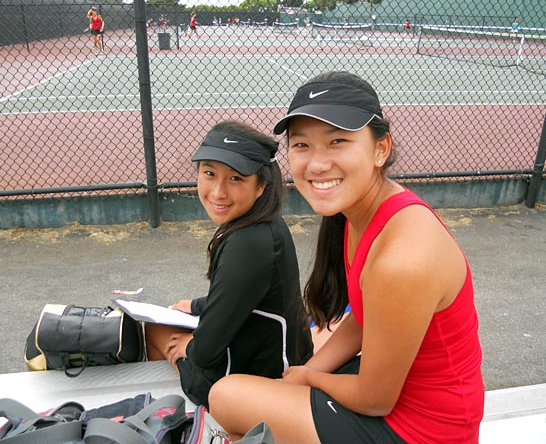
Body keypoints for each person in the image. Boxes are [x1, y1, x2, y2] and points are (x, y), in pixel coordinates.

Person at [209, 71, 485, 443]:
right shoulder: (366, 212)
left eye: (337, 141)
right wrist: (306, 372)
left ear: (380, 149)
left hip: (423, 430)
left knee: (225, 396)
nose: (317, 164)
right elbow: (363, 317)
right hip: (409, 405)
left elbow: (374, 400)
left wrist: (308, 378)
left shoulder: (401, 259)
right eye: (302, 145)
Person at [147, 120, 314, 409]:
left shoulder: (247, 243)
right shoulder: (265, 224)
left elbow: (205, 352)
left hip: (254, 384)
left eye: (235, 179)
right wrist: (197, 306)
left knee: (151, 331)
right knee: (175, 315)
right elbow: (245, 296)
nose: (218, 192)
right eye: (209, 174)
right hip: (279, 362)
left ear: (261, 186)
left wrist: (188, 345)